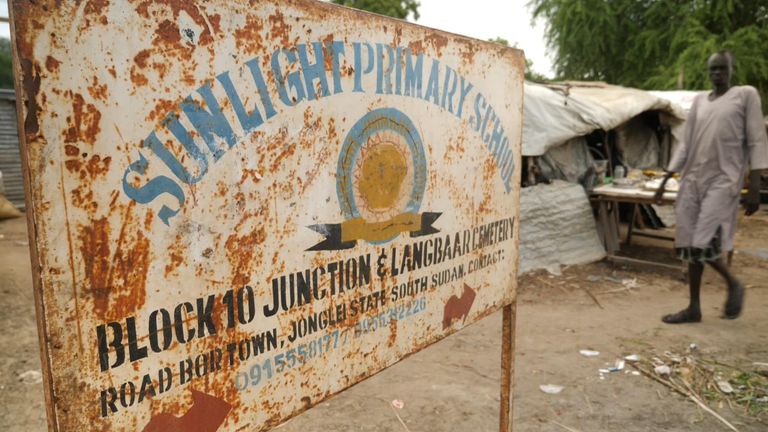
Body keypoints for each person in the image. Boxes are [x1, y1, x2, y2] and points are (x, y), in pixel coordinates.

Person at [654, 50, 768, 323]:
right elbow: (686, 143)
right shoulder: (700, 102)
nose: (717, 74)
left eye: (722, 69)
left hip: (724, 180)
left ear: (731, 69)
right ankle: (694, 307)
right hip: (694, 179)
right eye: (713, 70)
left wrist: (754, 185)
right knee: (689, 242)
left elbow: (756, 139)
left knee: (702, 240)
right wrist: (665, 179)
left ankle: (733, 283)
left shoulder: (745, 95)